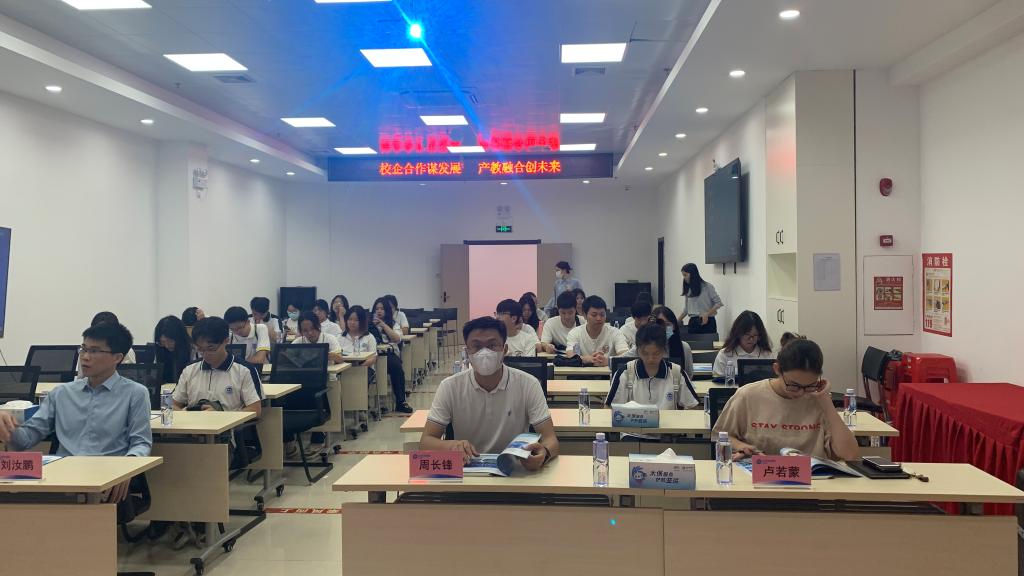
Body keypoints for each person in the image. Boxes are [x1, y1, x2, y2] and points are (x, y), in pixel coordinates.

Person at [0, 322, 152, 504]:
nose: (85, 357)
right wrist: (8, 428)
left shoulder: (135, 393)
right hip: (61, 479)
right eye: (83, 349)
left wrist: (127, 469)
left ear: (117, 357)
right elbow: (26, 438)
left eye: (94, 351)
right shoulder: (62, 393)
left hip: (106, 479)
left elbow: (141, 443)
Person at [420, 317, 559, 470]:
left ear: (505, 350)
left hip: (515, 472)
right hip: (466, 473)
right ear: (467, 352)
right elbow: (426, 442)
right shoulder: (450, 387)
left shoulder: (529, 384)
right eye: (476, 346)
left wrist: (544, 453)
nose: (484, 353)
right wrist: (451, 446)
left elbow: (551, 439)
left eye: (492, 345)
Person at [712, 338, 858, 462]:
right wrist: (741, 446)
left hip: (812, 481)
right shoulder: (748, 395)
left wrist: (826, 401)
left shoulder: (818, 399)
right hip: (758, 479)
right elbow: (720, 435)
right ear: (777, 369)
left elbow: (849, 455)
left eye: (809, 386)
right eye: (794, 385)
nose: (801, 393)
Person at [172, 317, 261, 415]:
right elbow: (173, 405)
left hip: (230, 424)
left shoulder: (244, 370)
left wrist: (220, 416)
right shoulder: (190, 369)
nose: (205, 354)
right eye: (200, 349)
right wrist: (185, 415)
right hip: (194, 423)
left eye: (211, 348)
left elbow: (255, 409)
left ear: (226, 341)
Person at [605, 323, 699, 409]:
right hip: (634, 422)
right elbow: (609, 408)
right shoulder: (625, 373)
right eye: (645, 353)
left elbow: (693, 406)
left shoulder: (676, 373)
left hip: (668, 422)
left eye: (656, 353)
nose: (650, 359)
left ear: (664, 350)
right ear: (637, 350)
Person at [354, 305, 413, 414]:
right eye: (376, 309)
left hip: (387, 353)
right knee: (358, 371)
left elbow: (397, 339)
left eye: (382, 308)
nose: (379, 311)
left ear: (387, 311)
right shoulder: (367, 324)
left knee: (397, 368)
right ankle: (361, 404)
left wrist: (383, 325)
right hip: (368, 354)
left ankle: (401, 401)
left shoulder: (392, 323)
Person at [566, 296, 630, 367]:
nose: (599, 318)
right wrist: (587, 359)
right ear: (584, 315)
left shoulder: (615, 332)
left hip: (608, 373)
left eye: (602, 315)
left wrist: (608, 361)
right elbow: (570, 355)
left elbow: (625, 355)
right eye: (594, 315)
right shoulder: (575, 333)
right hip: (582, 373)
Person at [713, 310, 775, 378]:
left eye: (755, 335)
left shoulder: (767, 355)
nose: (751, 339)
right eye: (747, 334)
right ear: (738, 334)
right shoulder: (725, 354)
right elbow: (716, 380)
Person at [76, 311, 136, 376]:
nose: (86, 357)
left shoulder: (127, 351)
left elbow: (131, 376)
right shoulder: (85, 351)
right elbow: (81, 377)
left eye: (94, 351)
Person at [679, 263, 723, 335]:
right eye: (683, 275)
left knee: (708, 341)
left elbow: (718, 303)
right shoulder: (688, 289)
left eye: (685, 275)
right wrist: (678, 320)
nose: (684, 278)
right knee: (692, 342)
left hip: (708, 321)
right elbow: (686, 309)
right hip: (693, 322)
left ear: (693, 274)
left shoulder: (707, 287)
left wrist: (707, 314)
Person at [652, 305, 693, 379]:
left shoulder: (684, 347)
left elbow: (688, 375)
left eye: (668, 324)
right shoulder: (644, 347)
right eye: (660, 324)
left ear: (674, 326)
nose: (664, 328)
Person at [154, 315, 194, 384]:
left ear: (180, 338)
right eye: (163, 342)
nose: (167, 345)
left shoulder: (193, 352)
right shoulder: (161, 350)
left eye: (170, 341)